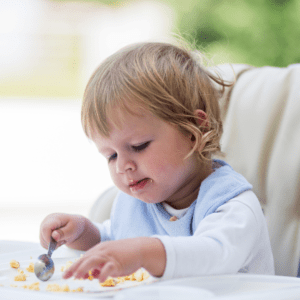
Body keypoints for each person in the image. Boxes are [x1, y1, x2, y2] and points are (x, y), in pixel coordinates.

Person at [39, 42, 274, 282]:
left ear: (193, 133)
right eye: (111, 156)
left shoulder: (232, 205)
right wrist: (82, 232)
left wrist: (143, 252)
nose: (122, 166)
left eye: (138, 146)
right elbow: (116, 240)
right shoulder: (135, 203)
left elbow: (213, 255)